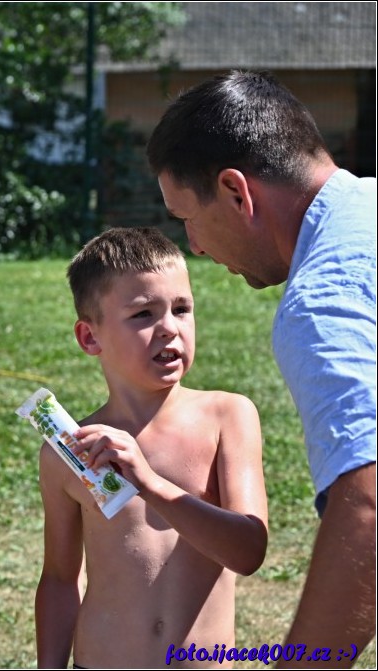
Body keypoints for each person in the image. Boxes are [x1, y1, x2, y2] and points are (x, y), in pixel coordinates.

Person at [147, 70, 377, 667]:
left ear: (235, 192)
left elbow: (371, 502)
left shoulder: (324, 300)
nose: (194, 246)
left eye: (187, 219)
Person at [36, 226, 269, 668]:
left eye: (181, 309)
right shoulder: (70, 450)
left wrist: (149, 483)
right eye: (143, 314)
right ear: (90, 338)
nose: (168, 328)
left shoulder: (227, 417)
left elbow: (249, 550)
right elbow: (60, 579)